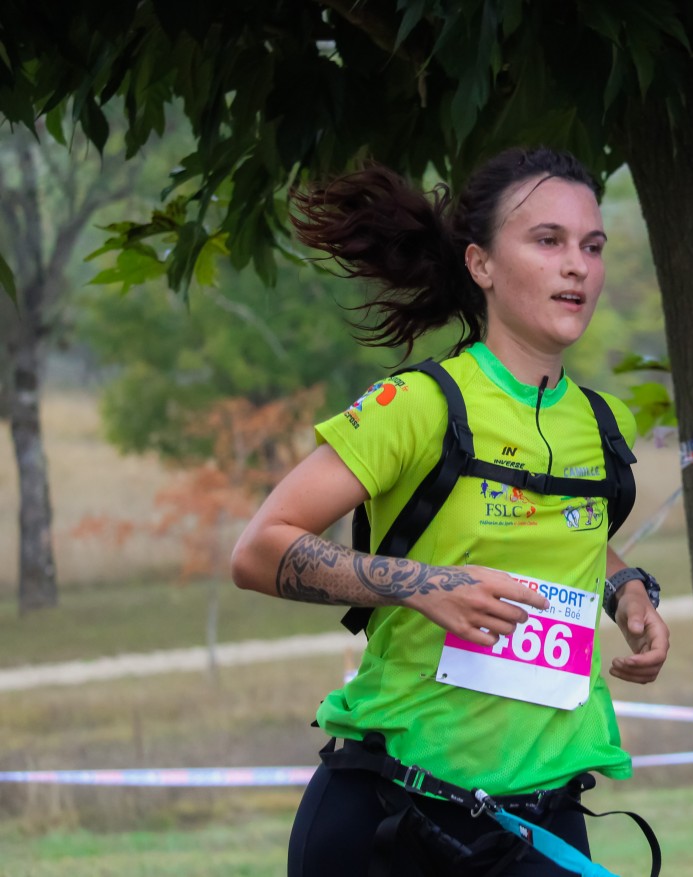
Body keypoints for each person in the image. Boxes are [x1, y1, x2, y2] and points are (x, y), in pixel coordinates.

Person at [231, 146, 670, 877]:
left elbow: (560, 536)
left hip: (542, 821)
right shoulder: (418, 404)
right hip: (392, 818)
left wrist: (625, 589)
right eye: (548, 240)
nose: (576, 267)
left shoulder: (603, 425)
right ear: (480, 264)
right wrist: (427, 586)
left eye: (592, 246)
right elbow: (258, 550)